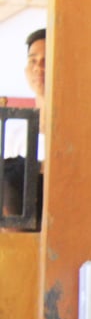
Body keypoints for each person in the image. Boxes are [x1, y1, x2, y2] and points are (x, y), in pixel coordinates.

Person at [2, 28, 46, 222]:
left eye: (47, 61)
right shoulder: (14, 130)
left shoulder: (78, 129)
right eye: (33, 61)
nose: (38, 68)